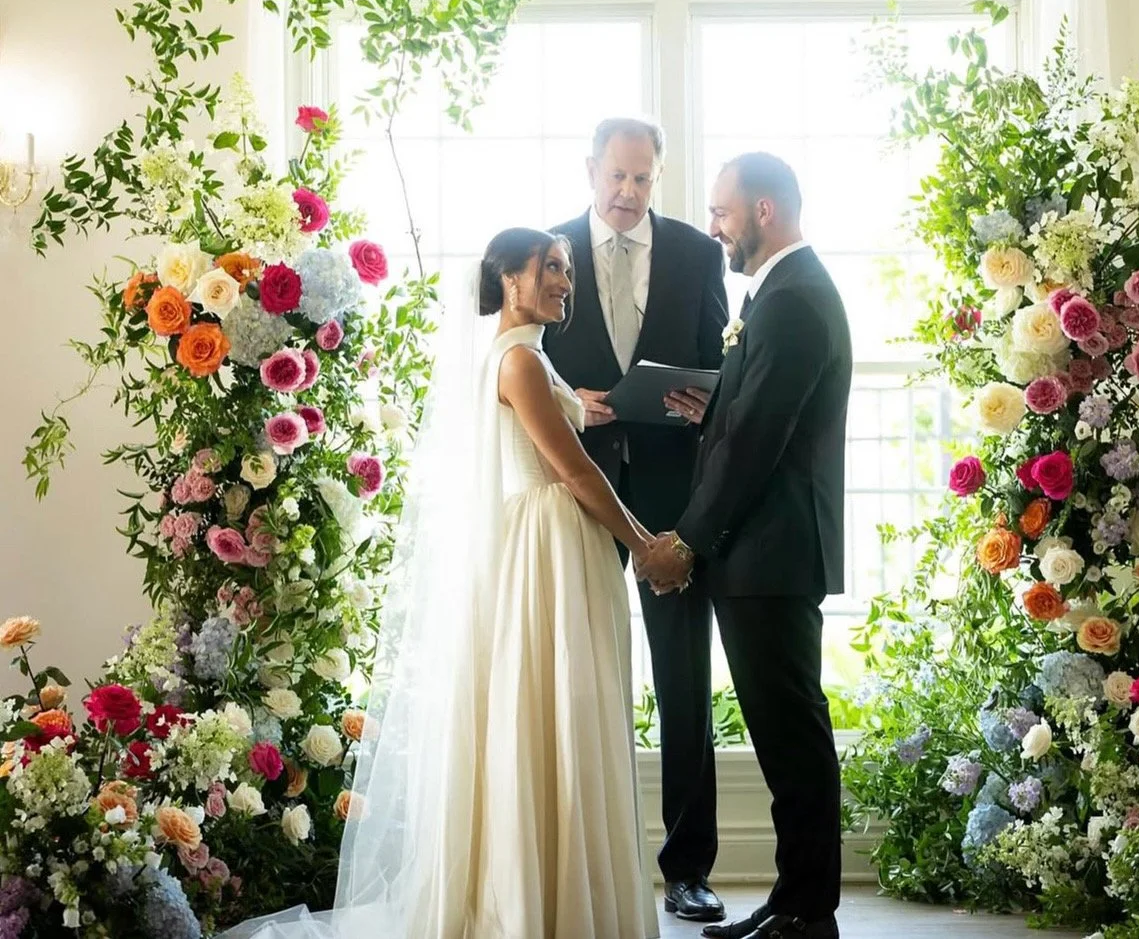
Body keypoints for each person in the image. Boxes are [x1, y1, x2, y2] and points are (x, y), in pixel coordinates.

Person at [220, 228, 660, 939]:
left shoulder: (527, 361)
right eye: (549, 266)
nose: (563, 280)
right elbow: (574, 471)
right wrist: (643, 544)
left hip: (555, 544)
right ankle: (535, 909)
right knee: (547, 714)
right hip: (544, 549)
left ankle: (556, 897)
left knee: (562, 714)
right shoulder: (517, 361)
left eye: (567, 269)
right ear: (507, 279)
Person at [644, 153, 852, 939]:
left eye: (721, 211)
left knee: (792, 735)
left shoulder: (793, 298)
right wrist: (714, 408)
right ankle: (794, 897)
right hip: (764, 556)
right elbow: (755, 414)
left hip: (772, 555)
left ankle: (807, 911)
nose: (713, 226)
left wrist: (687, 540)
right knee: (781, 733)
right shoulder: (778, 296)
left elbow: (760, 442)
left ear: (763, 211)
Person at [544, 116, 730, 924]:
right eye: (616, 176)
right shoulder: (544, 249)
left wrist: (703, 400)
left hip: (670, 494)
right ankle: (574, 857)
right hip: (575, 494)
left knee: (683, 678)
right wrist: (567, 402)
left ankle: (687, 868)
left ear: (659, 175)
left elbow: (726, 371)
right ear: (590, 169)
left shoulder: (697, 252)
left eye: (642, 179)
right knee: (573, 673)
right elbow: (522, 359)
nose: (627, 193)